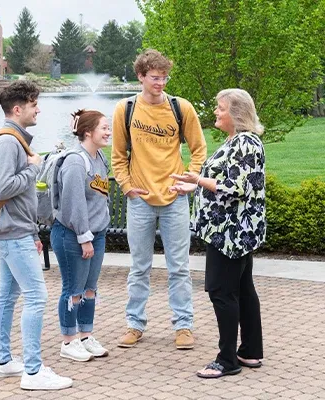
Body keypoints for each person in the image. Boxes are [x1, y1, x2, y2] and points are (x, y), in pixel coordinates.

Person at [112, 49, 207, 349]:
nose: (160, 83)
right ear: (140, 76)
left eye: (164, 77)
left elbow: (199, 148)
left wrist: (190, 179)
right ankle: (134, 324)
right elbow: (117, 156)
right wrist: (127, 186)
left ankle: (184, 326)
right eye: (154, 78)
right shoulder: (124, 109)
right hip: (139, 200)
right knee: (139, 266)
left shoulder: (182, 108)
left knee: (178, 266)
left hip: (175, 200)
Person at [170, 88, 265, 378]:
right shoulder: (237, 140)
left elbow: (237, 188)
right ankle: (249, 352)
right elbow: (226, 180)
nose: (215, 112)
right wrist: (195, 185)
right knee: (243, 290)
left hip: (230, 234)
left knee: (221, 291)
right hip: (233, 231)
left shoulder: (245, 143)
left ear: (235, 113)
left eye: (220, 108)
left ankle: (227, 360)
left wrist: (198, 179)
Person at [0, 81, 73, 390]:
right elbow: (3, 188)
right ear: (18, 108)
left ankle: (2, 361)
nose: (39, 109)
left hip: (15, 230)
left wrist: (33, 229)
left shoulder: (13, 140)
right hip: (11, 232)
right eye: (35, 104)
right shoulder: (8, 142)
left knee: (8, 294)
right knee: (37, 296)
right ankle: (33, 372)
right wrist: (34, 168)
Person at [50, 110, 111, 362]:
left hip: (97, 233)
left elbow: (99, 197)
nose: (108, 132)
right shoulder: (76, 161)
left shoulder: (99, 157)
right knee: (73, 290)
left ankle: (85, 336)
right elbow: (73, 204)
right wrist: (84, 237)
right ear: (88, 132)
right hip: (73, 236)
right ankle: (68, 341)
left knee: (89, 289)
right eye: (104, 128)